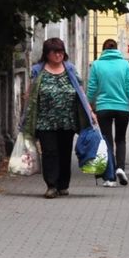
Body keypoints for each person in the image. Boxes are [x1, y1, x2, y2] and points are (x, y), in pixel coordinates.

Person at [22, 37, 94, 199]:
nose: (58, 55)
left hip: (67, 120)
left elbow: (80, 91)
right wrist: (25, 113)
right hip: (45, 120)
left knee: (64, 152)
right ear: (47, 54)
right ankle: (51, 185)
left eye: (61, 52)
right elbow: (30, 93)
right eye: (55, 52)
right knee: (49, 152)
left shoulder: (70, 69)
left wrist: (90, 111)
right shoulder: (38, 70)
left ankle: (63, 185)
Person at [87, 38, 129, 188]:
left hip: (103, 108)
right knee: (120, 139)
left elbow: (92, 88)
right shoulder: (125, 64)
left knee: (107, 140)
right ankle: (120, 168)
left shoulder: (96, 65)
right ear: (117, 49)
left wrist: (89, 106)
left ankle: (110, 177)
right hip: (122, 108)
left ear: (104, 49)